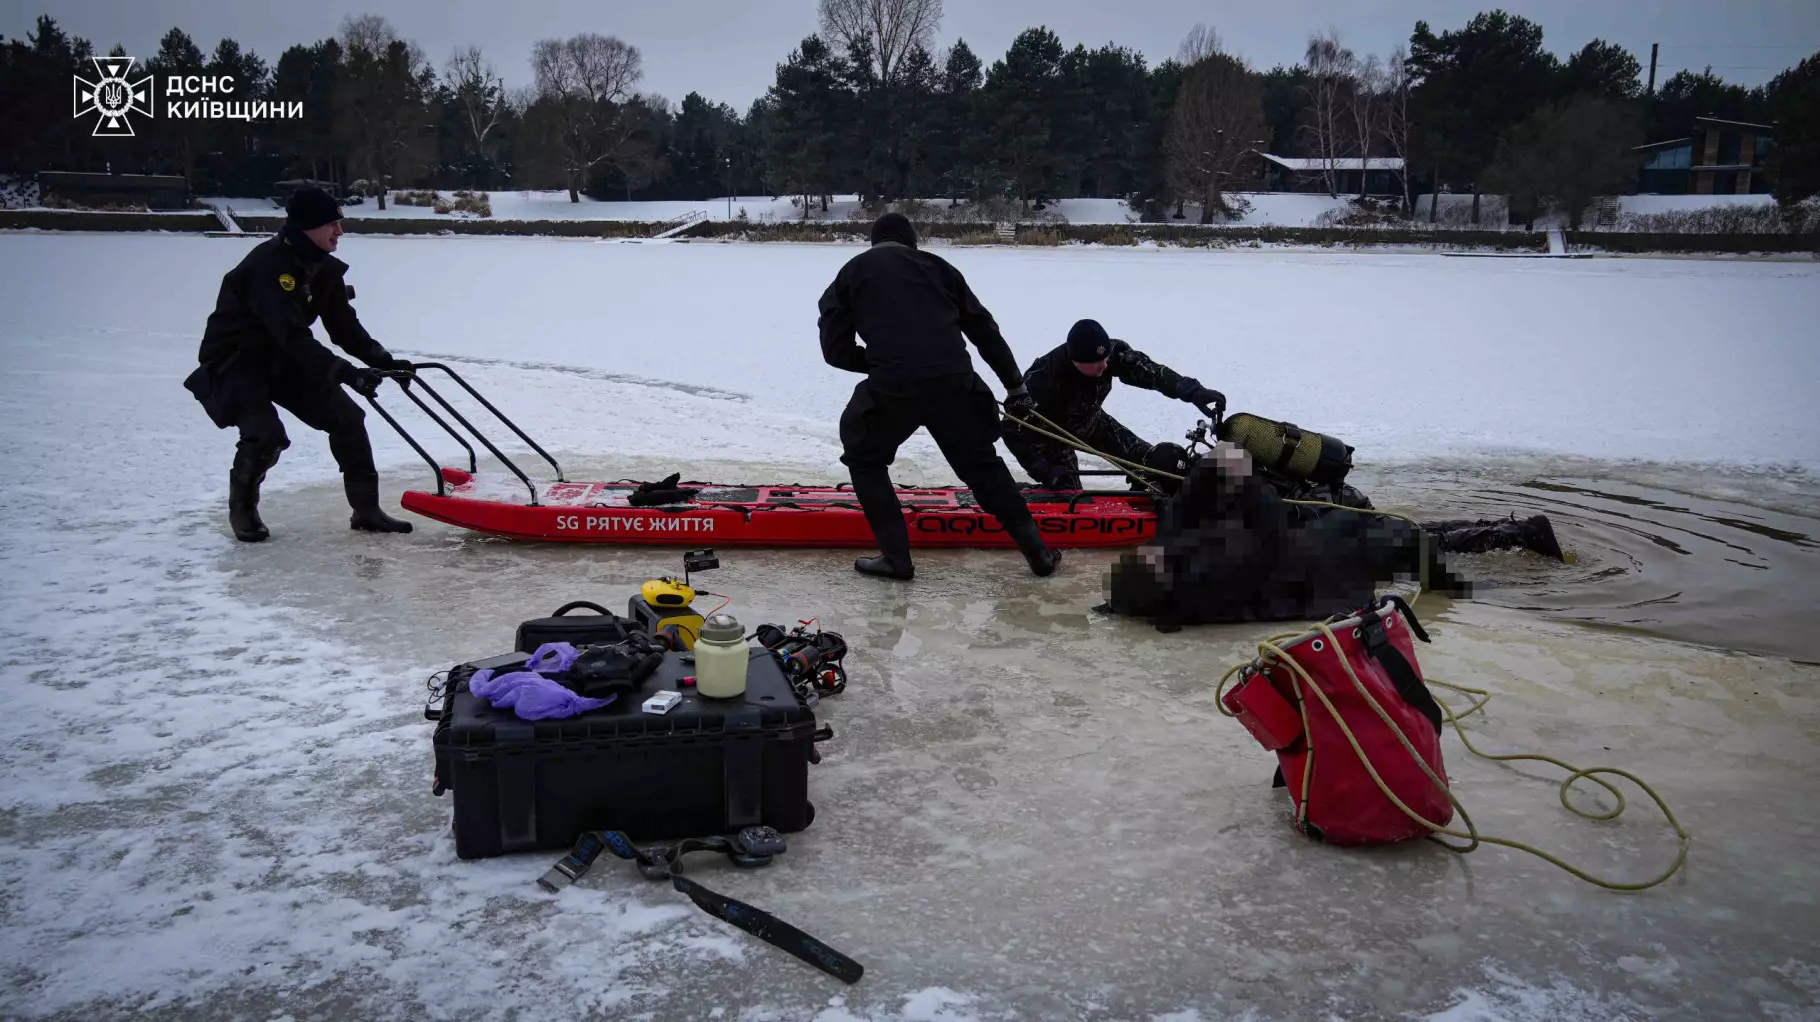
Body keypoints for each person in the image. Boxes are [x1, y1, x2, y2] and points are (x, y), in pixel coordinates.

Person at [817, 212, 1060, 581]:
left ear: (874, 241)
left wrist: (884, 362)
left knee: (865, 459)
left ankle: (896, 559)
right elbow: (985, 330)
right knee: (983, 466)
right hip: (955, 382)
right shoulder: (940, 268)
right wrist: (1016, 387)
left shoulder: (852, 273)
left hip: (892, 386)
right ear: (912, 241)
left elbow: (834, 350)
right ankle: (1038, 554)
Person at [1100, 444, 1565, 632]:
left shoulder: (1191, 582)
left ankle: (1520, 531)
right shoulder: (1190, 559)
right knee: (1420, 538)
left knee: (1422, 539)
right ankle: (1514, 530)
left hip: (1334, 541)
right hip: (1336, 543)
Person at [182, 187, 415, 542]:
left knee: (348, 419)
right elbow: (290, 334)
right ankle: (242, 511)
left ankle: (367, 511)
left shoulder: (323, 268)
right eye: (330, 225)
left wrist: (384, 361)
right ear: (306, 226)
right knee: (267, 436)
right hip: (236, 362)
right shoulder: (267, 266)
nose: (339, 232)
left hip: (285, 359)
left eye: (339, 223)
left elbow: (344, 328)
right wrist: (346, 373)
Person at [1002, 318, 1226, 491]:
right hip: (1051, 438)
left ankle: (1156, 504)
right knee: (1069, 496)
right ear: (1075, 361)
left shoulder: (1111, 354)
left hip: (1091, 421)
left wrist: (1192, 391)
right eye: (1095, 364)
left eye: (1105, 359)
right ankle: (1022, 498)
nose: (1104, 366)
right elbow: (1011, 429)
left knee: (1151, 464)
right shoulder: (1041, 381)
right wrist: (1043, 470)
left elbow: (1152, 373)